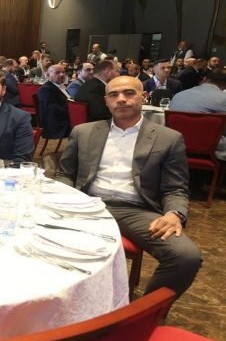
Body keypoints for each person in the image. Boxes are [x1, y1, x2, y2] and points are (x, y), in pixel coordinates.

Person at [56, 76, 202, 301]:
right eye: (113, 95)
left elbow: (175, 188)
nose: (121, 99)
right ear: (106, 101)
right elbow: (65, 174)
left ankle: (146, 312)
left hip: (135, 211)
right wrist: (63, 200)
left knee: (186, 257)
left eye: (129, 93)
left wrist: (175, 213)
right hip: (87, 205)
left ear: (143, 97)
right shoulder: (83, 132)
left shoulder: (168, 138)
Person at [169, 68, 226, 160]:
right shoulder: (223, 98)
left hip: (174, 145)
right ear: (224, 85)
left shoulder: (179, 95)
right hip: (207, 147)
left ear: (204, 79)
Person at [37, 64, 71, 140]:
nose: (62, 75)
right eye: (57, 72)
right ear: (48, 75)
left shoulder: (61, 86)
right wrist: (73, 113)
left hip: (65, 117)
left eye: (63, 72)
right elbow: (53, 109)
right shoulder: (45, 89)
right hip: (57, 123)